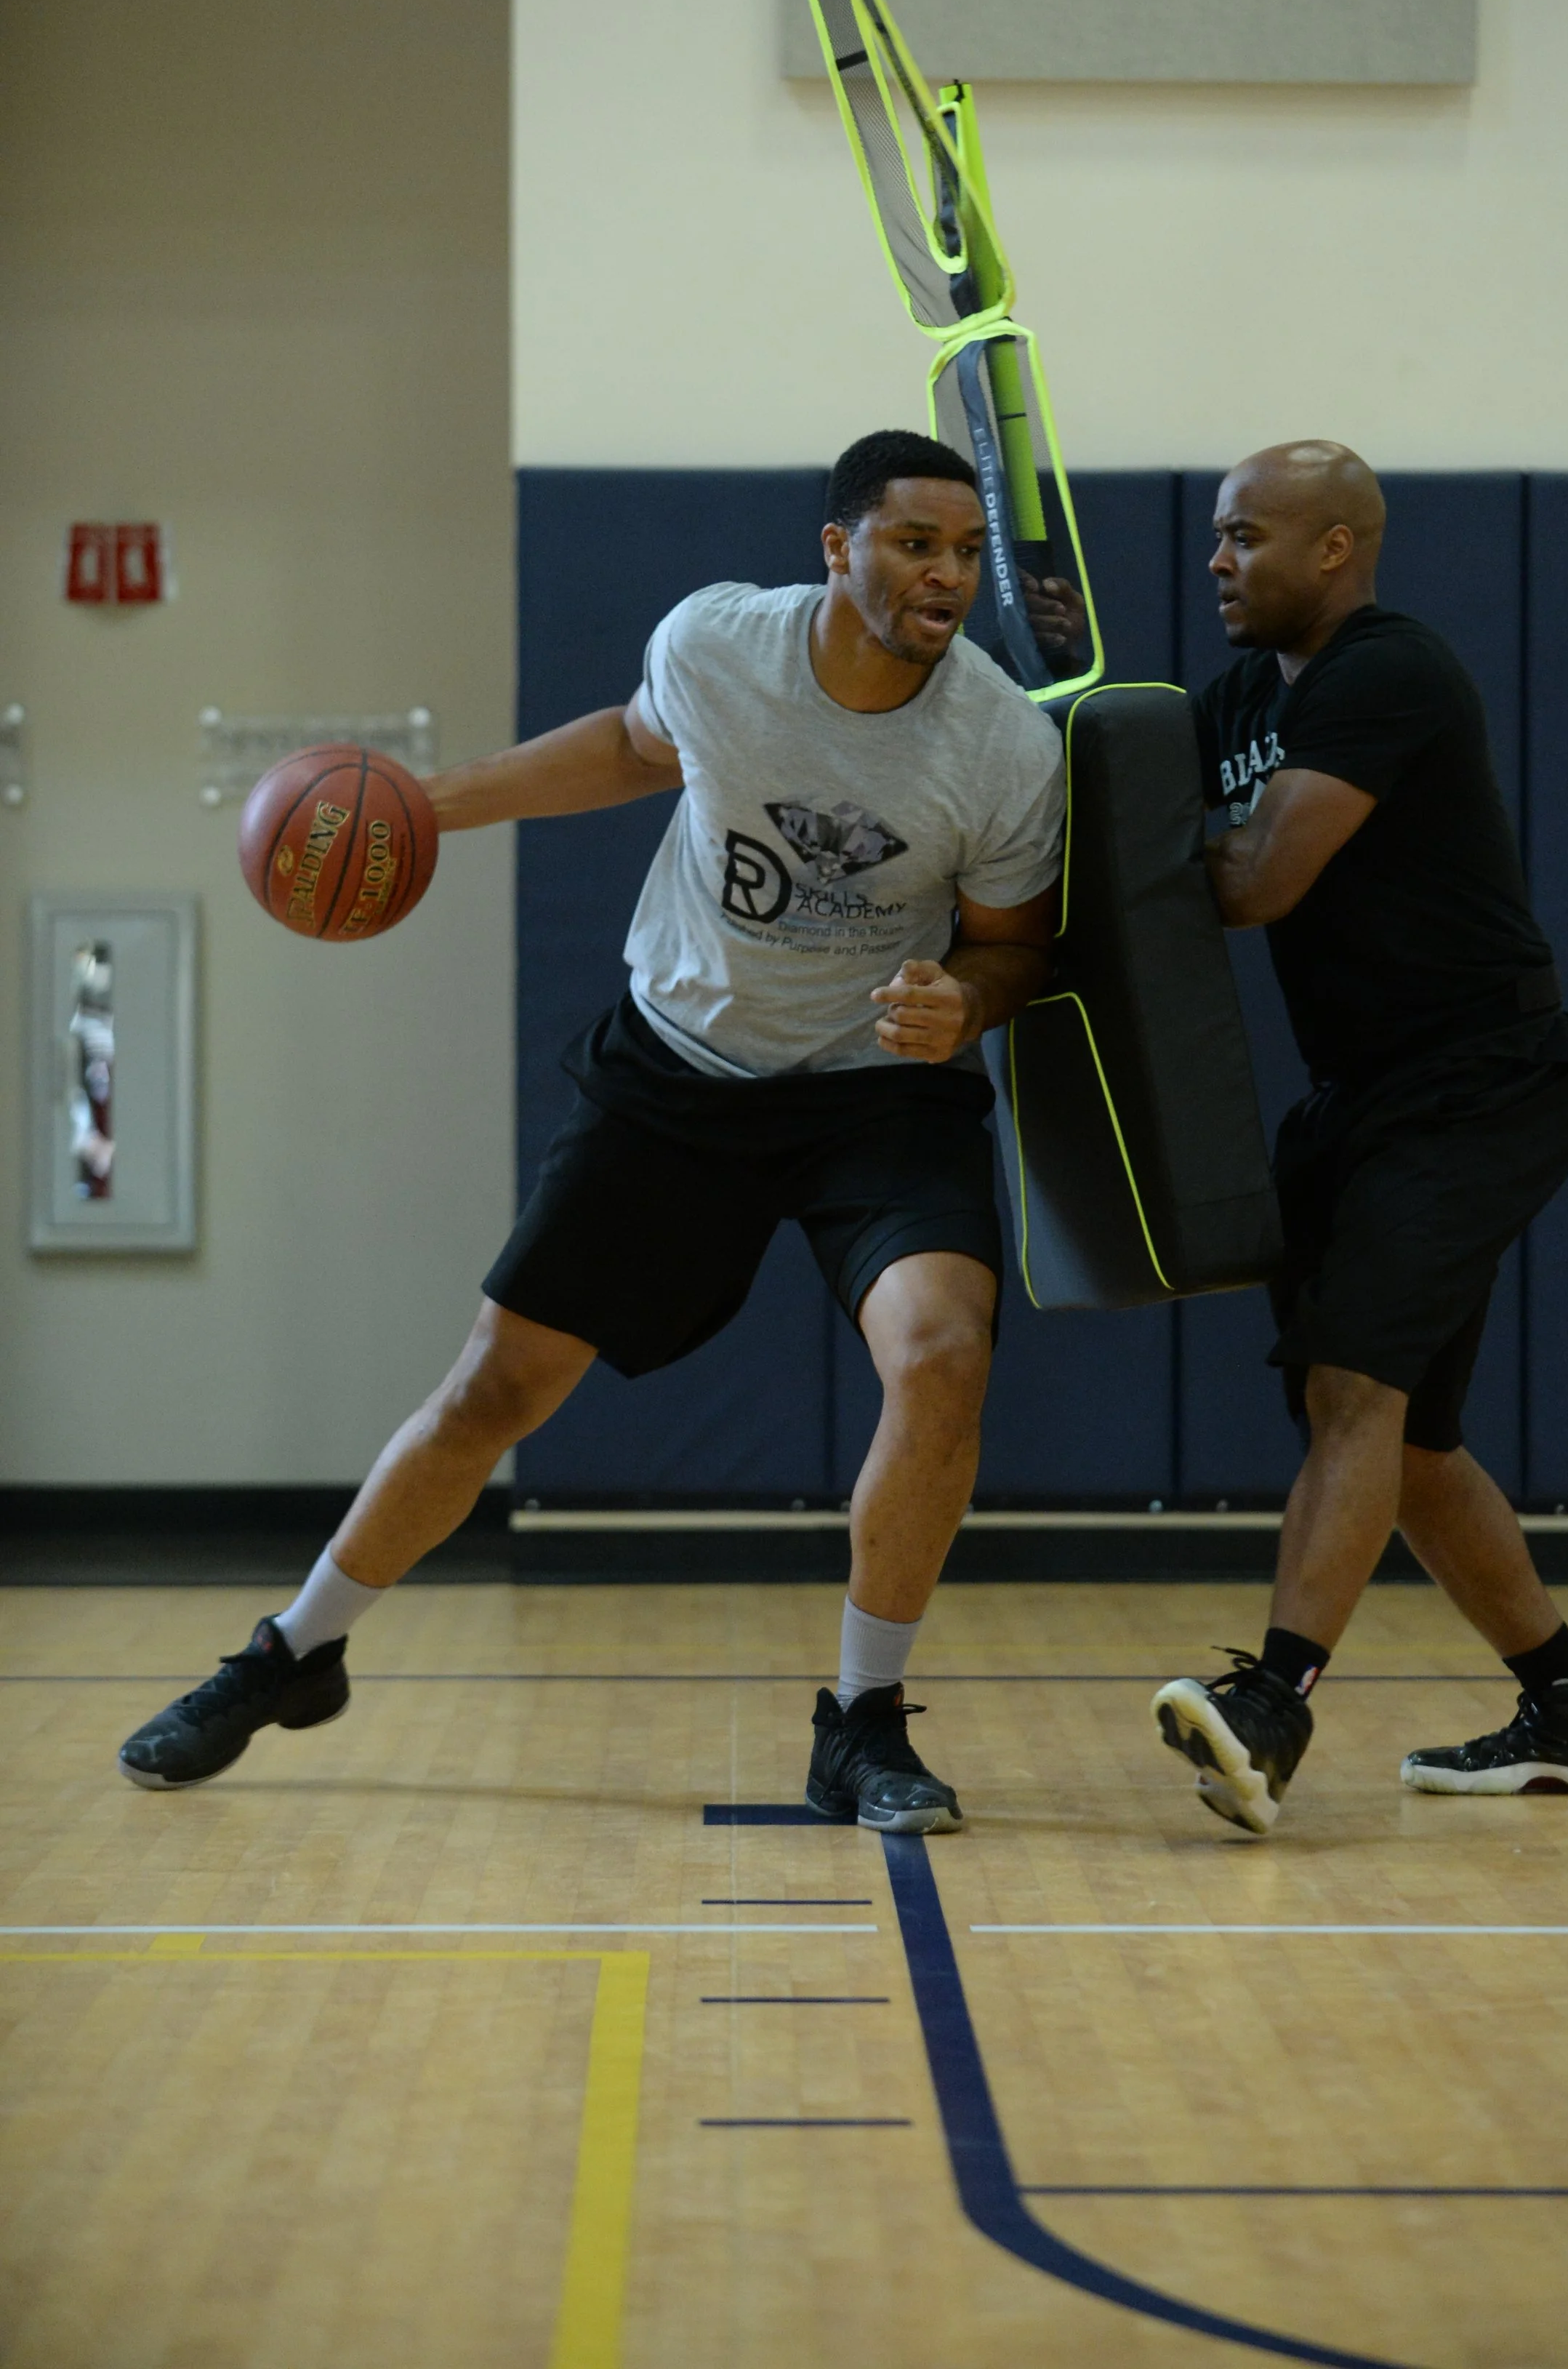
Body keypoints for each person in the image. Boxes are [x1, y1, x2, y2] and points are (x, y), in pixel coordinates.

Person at [119, 429, 1066, 1832]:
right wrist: (431, 805)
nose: (947, 574)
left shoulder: (1000, 739)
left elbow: (1015, 946)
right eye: (916, 544)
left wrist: (967, 1002)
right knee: (495, 1391)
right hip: (676, 1071)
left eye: (966, 551)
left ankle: (863, 1720)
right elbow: (633, 748)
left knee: (942, 1354)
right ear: (839, 549)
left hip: (873, 1088)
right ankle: (290, 1652)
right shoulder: (719, 647)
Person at [1151, 441, 1568, 1834]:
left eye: (1246, 536)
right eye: (1213, 536)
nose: (1218, 561)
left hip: (1481, 1078)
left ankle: (1274, 1701)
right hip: (1358, 1099)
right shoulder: (1244, 696)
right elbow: (1124, 793)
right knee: (1406, 1438)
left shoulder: (1390, 671)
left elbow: (1253, 880)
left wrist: (1157, 843)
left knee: (1357, 1389)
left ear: (1335, 546)